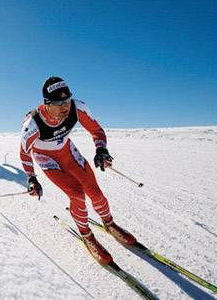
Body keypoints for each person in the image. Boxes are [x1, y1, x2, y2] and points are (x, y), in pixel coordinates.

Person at [19, 76, 136, 265]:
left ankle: (110, 223)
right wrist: (32, 178)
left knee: (96, 193)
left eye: (67, 100)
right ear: (47, 104)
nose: (65, 106)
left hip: (68, 153)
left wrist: (101, 149)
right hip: (48, 160)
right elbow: (24, 152)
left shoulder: (77, 107)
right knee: (77, 194)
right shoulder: (33, 124)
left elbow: (96, 130)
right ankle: (87, 235)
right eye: (58, 103)